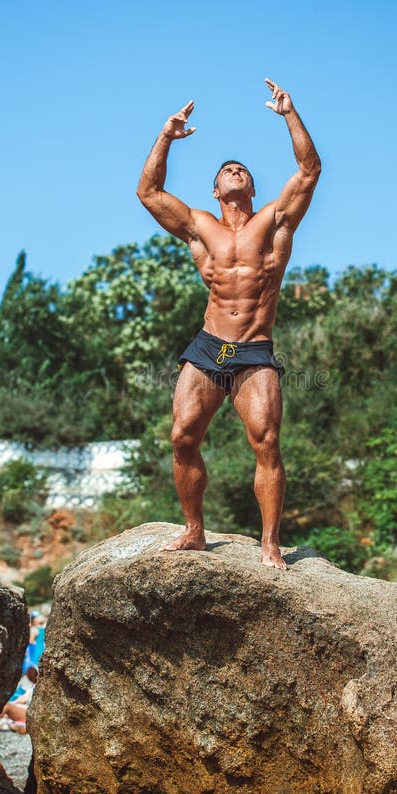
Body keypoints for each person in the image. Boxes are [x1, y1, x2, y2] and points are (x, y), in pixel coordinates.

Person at [136, 78, 321, 570]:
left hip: (254, 350)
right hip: (211, 347)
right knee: (181, 437)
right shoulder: (200, 226)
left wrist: (289, 113)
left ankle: (269, 543)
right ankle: (194, 531)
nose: (235, 171)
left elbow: (309, 169)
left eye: (242, 169)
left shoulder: (275, 220)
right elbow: (148, 192)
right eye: (226, 171)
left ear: (252, 188)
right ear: (215, 190)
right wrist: (166, 136)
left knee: (267, 441)